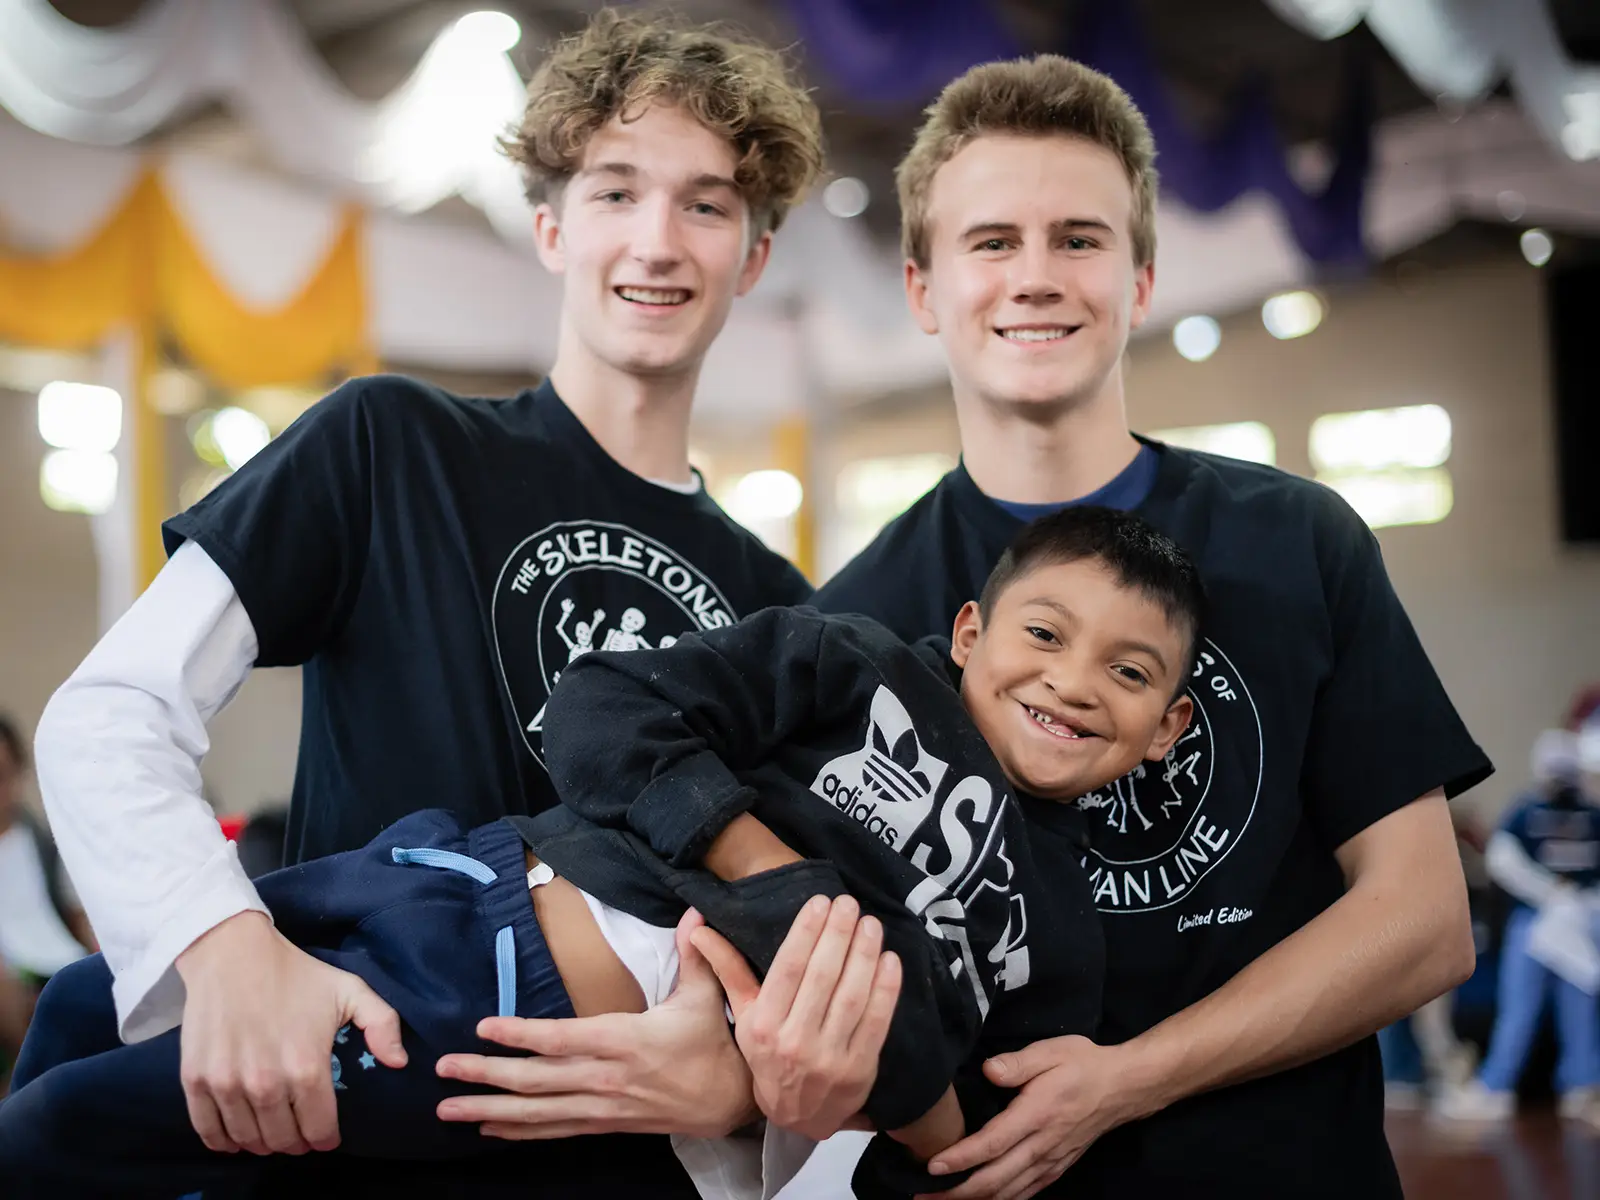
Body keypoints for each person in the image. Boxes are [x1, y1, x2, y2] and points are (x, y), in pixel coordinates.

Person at [26, 12, 891, 1198]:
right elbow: (111, 709)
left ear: (751, 255)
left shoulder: (786, 614)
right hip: (353, 1116)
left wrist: (738, 1085)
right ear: (547, 226)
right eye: (614, 192)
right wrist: (222, 951)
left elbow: (785, 926)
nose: (657, 241)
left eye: (705, 203)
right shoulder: (391, 445)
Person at [4, 507, 1203, 1200]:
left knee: (80, 1131)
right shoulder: (848, 659)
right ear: (970, 631)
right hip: (460, 872)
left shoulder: (1051, 925)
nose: (1073, 682)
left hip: (519, 1023)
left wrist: (889, 1099)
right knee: (88, 1003)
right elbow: (601, 708)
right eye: (1046, 634)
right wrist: (776, 879)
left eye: (1130, 673)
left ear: (1169, 729)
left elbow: (954, 1125)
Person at [809, 54, 1492, 1198]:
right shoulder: (850, 622)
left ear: (1139, 281)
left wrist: (1131, 1078)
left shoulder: (1296, 542)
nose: (1035, 277)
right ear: (924, 291)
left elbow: (1422, 920)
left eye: (1078, 239)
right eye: (991, 243)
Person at [1436, 728, 1600, 1124]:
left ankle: (1581, 1085)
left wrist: (1580, 901)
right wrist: (1550, 893)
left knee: (1578, 1009)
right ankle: (1498, 1085)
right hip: (1538, 922)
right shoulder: (1528, 811)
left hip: (1578, 922)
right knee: (1521, 1007)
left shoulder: (1589, 814)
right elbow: (1502, 860)